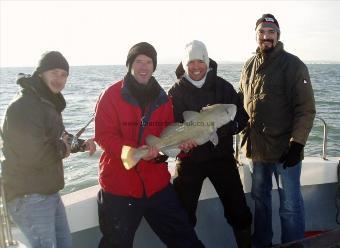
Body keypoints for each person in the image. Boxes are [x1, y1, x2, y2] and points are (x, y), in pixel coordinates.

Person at [94, 42, 204, 248]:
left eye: (149, 62)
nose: (143, 67)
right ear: (129, 64)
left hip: (157, 186)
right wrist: (135, 151)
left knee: (186, 241)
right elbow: (103, 136)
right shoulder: (110, 95)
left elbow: (168, 138)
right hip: (119, 187)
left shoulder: (163, 99)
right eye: (138, 61)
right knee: (116, 244)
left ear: (154, 66)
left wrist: (182, 148)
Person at [1, 51, 96, 248]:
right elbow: (33, 154)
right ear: (41, 73)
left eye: (64, 74)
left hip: (48, 191)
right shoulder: (25, 106)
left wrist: (79, 144)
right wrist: (64, 147)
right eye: (54, 72)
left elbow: (58, 136)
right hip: (28, 196)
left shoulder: (45, 102)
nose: (59, 79)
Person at [239, 14, 316, 247]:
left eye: (271, 32)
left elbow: (306, 109)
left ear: (278, 35)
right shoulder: (249, 64)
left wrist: (297, 144)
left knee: (290, 206)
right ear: (256, 35)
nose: (266, 36)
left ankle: (293, 244)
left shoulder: (293, 65)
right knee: (260, 201)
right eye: (262, 32)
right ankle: (262, 242)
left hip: (285, 152)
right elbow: (240, 100)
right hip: (256, 151)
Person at [168, 40, 252, 248]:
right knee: (182, 215)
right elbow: (171, 124)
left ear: (207, 61)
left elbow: (241, 117)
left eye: (200, 61)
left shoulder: (223, 86)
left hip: (221, 158)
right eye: (191, 63)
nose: (196, 67)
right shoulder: (175, 92)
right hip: (189, 160)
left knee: (239, 211)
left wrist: (219, 130)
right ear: (184, 64)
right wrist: (182, 144)